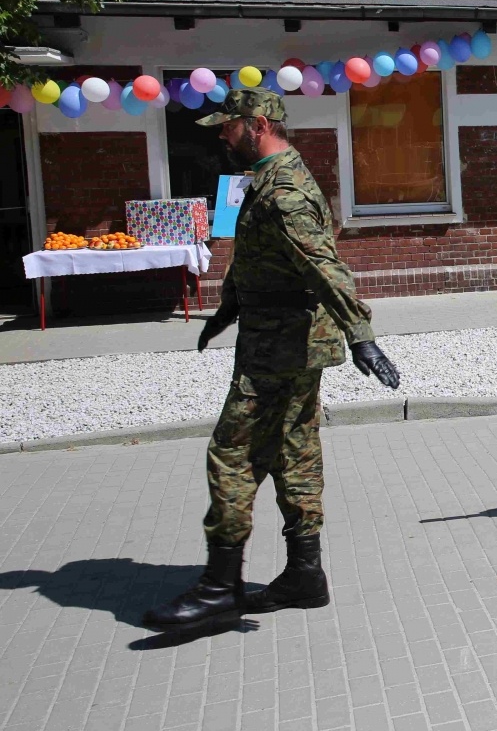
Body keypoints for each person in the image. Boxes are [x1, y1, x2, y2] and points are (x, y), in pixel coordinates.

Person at [144, 89, 400, 632]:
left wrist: (362, 334)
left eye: (227, 126)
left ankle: (220, 585)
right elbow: (254, 257)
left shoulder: (282, 190)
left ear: (256, 124)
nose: (220, 134)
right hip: (279, 337)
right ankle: (305, 576)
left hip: (281, 344)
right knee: (294, 449)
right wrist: (227, 309)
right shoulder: (262, 180)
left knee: (231, 454)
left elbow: (322, 265)